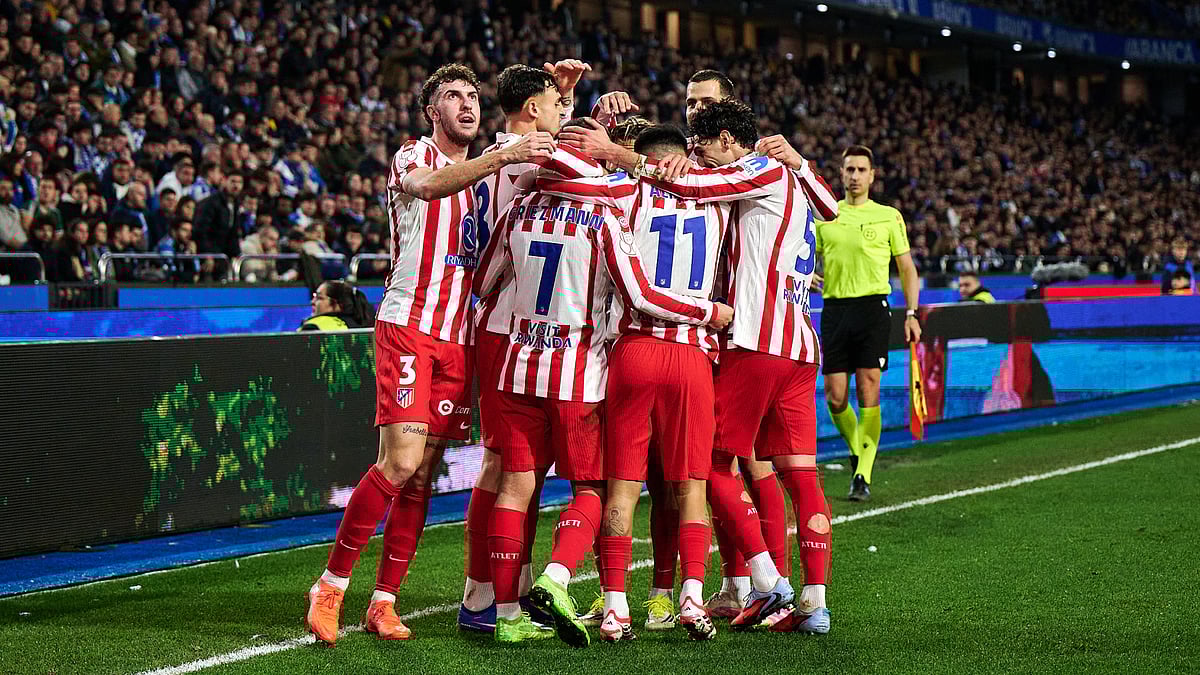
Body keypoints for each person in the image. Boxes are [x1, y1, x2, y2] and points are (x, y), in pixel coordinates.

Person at [304, 63, 556, 647]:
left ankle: (384, 601)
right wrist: (496, 159)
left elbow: (531, 137)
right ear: (431, 112)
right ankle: (331, 584)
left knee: (420, 478)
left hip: (458, 338)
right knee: (398, 462)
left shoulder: (488, 178)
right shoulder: (413, 155)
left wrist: (558, 98)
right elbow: (423, 188)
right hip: (408, 327)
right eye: (452, 96)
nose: (466, 104)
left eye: (472, 95)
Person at [473, 138, 727, 644]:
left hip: (520, 366)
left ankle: (511, 616)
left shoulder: (518, 210)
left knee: (516, 488)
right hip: (585, 371)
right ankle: (561, 577)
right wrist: (709, 312)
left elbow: (484, 283)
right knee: (601, 488)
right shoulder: (611, 212)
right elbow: (638, 292)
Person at [640, 100, 834, 634]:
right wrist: (802, 161)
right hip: (798, 344)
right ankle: (814, 605)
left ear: (728, 139)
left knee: (708, 464)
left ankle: (772, 584)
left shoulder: (759, 168)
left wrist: (628, 158)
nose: (698, 156)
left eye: (702, 145)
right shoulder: (793, 175)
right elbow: (833, 208)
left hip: (758, 341)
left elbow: (696, 189)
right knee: (799, 474)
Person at [457, 60, 603, 636]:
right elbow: (585, 164)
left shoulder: (506, 155)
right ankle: (482, 596)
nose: (560, 115)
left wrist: (563, 97)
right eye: (551, 104)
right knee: (505, 467)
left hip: (510, 326)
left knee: (521, 472)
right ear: (533, 111)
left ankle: (502, 595)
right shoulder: (523, 158)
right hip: (509, 329)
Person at [814, 145, 922, 501]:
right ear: (841, 174)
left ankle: (863, 473)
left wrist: (911, 313)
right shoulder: (826, 215)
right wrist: (806, 276)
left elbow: (906, 267)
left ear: (872, 176)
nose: (855, 176)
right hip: (835, 309)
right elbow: (799, 257)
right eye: (850, 169)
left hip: (873, 309)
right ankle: (859, 448)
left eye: (862, 170)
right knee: (835, 396)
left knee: (869, 389)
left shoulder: (888, 216)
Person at [298, 280, 375, 331]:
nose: (312, 301)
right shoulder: (363, 325)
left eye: (319, 297)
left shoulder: (313, 327)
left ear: (338, 304)